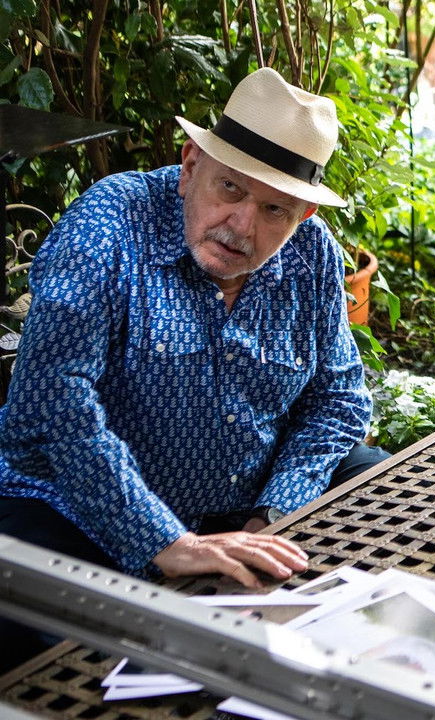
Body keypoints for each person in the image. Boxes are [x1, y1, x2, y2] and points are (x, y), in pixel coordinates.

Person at [0, 67, 389, 673]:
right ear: (189, 166)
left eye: (274, 209)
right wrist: (166, 541)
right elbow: (53, 403)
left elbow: (337, 400)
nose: (242, 226)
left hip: (245, 500)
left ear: (305, 215)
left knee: (381, 513)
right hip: (76, 508)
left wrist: (278, 515)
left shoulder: (310, 252)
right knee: (70, 644)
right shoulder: (108, 226)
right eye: (230, 189)